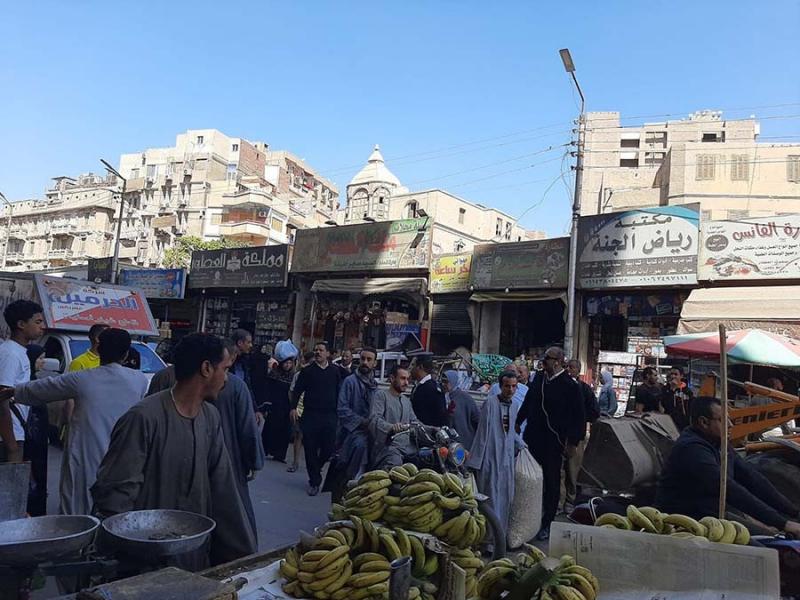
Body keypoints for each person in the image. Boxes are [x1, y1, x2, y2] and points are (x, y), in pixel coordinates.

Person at [91, 333, 257, 567]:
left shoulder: (210, 417)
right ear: (207, 368)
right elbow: (115, 496)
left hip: (194, 557)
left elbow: (223, 490)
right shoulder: (143, 418)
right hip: (143, 561)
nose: (227, 379)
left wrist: (244, 557)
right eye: (225, 369)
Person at [0, 328, 148, 515]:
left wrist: (13, 392)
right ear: (126, 354)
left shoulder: (83, 378)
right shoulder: (139, 380)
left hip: (85, 452)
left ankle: (77, 540)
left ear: (99, 349)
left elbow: (45, 388)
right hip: (122, 452)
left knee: (77, 504)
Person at [655, 396, 800, 537]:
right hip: (691, 518)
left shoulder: (719, 443)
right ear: (704, 422)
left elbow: (752, 478)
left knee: (770, 535)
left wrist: (792, 512)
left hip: (712, 510)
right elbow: (729, 489)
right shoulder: (692, 449)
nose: (731, 424)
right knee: (769, 548)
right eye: (722, 420)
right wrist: (783, 523)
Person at [516, 346, 585, 540]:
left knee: (552, 480)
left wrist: (573, 442)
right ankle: (529, 516)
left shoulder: (570, 385)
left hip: (554, 441)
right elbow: (529, 401)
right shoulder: (539, 379)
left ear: (557, 361)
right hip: (533, 437)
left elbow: (578, 416)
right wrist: (518, 421)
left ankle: (547, 522)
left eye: (548, 358)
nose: (543, 361)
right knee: (530, 478)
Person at [469, 371, 524, 545]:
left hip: (506, 460)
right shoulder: (490, 404)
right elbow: (482, 433)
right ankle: (488, 541)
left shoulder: (514, 406)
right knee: (490, 498)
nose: (510, 390)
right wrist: (476, 461)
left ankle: (500, 538)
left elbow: (511, 434)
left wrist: (521, 445)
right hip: (490, 457)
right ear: (500, 386)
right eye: (507, 386)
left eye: (514, 386)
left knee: (505, 498)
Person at [291, 341, 342, 496]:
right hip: (311, 415)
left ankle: (316, 467)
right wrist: (293, 408)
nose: (318, 352)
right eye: (316, 350)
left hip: (330, 415)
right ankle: (314, 481)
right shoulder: (307, 371)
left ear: (328, 353)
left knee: (328, 448)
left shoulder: (335, 371)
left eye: (321, 350)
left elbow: (341, 391)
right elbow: (297, 390)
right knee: (310, 448)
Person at [1, 300, 46, 464]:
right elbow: (2, 401)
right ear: (21, 324)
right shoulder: (11, 354)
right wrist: (12, 445)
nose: (42, 327)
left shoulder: (19, 352)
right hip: (7, 438)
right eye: (38, 322)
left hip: (15, 433)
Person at [333, 348, 378, 481]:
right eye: (363, 359)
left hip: (371, 432)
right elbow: (342, 409)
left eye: (369, 360)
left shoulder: (375, 385)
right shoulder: (350, 381)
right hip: (350, 432)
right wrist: (362, 422)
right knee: (358, 448)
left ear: (374, 363)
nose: (365, 362)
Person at [562, 359, 601, 512]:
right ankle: (558, 501)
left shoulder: (584, 389)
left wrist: (582, 418)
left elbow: (594, 411)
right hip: (560, 435)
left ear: (578, 370)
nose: (568, 370)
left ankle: (570, 500)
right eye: (566, 367)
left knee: (572, 470)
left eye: (571, 367)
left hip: (576, 435)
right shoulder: (560, 387)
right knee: (559, 471)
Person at [369, 365, 420, 469]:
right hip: (387, 448)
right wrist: (391, 427)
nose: (406, 383)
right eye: (402, 378)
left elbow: (415, 422)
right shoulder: (381, 396)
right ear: (392, 379)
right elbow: (375, 419)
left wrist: (433, 429)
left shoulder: (406, 401)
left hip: (408, 448)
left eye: (407, 379)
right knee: (395, 467)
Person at [23, 345, 53, 515]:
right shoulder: (26, 383)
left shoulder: (35, 381)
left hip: (38, 440)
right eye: (40, 358)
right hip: (30, 440)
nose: (42, 362)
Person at [261, 340, 299, 463]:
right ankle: (264, 450)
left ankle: (280, 454)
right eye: (286, 363)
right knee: (270, 428)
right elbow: (268, 389)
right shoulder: (274, 374)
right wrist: (267, 404)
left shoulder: (293, 377)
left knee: (284, 431)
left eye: (290, 363)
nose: (287, 365)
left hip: (287, 407)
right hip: (275, 405)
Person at [286, 351, 314, 473]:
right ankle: (295, 462)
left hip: (313, 409)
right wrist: (293, 407)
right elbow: (292, 391)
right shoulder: (299, 375)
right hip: (300, 407)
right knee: (298, 435)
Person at [442, 370, 479, 450]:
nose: (443, 384)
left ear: (453, 381)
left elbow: (478, 420)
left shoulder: (465, 398)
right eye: (442, 381)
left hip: (465, 444)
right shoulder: (444, 397)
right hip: (449, 444)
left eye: (446, 382)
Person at [410, 356, 448, 427]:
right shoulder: (418, 385)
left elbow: (440, 415)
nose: (411, 369)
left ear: (420, 367)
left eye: (413, 365)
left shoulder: (432, 388)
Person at [661, 366, 694, 431]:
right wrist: (672, 390)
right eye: (671, 374)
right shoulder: (665, 389)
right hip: (669, 421)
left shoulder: (687, 391)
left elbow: (691, 406)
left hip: (684, 423)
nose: (673, 376)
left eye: (676, 374)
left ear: (681, 376)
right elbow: (665, 404)